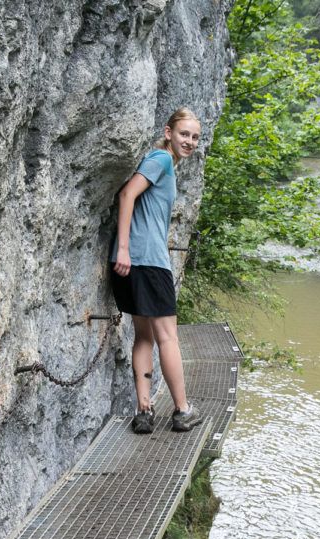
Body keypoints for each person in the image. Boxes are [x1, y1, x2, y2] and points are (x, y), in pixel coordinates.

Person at [109, 108, 202, 434]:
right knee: (168, 337)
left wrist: (124, 252)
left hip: (135, 263)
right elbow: (127, 195)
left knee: (144, 335)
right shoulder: (161, 160)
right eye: (184, 134)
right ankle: (182, 410)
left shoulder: (165, 164)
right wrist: (123, 248)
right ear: (168, 132)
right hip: (147, 262)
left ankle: (144, 411)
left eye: (194, 137)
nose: (189, 141)